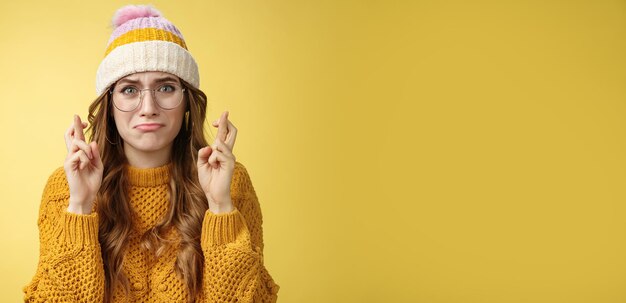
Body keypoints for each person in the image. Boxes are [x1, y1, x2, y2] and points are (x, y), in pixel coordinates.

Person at [22, 4, 280, 302]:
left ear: (187, 102)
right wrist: (80, 206)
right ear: (109, 103)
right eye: (129, 90)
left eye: (166, 87)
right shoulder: (65, 188)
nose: (148, 108)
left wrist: (220, 207)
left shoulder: (230, 183)